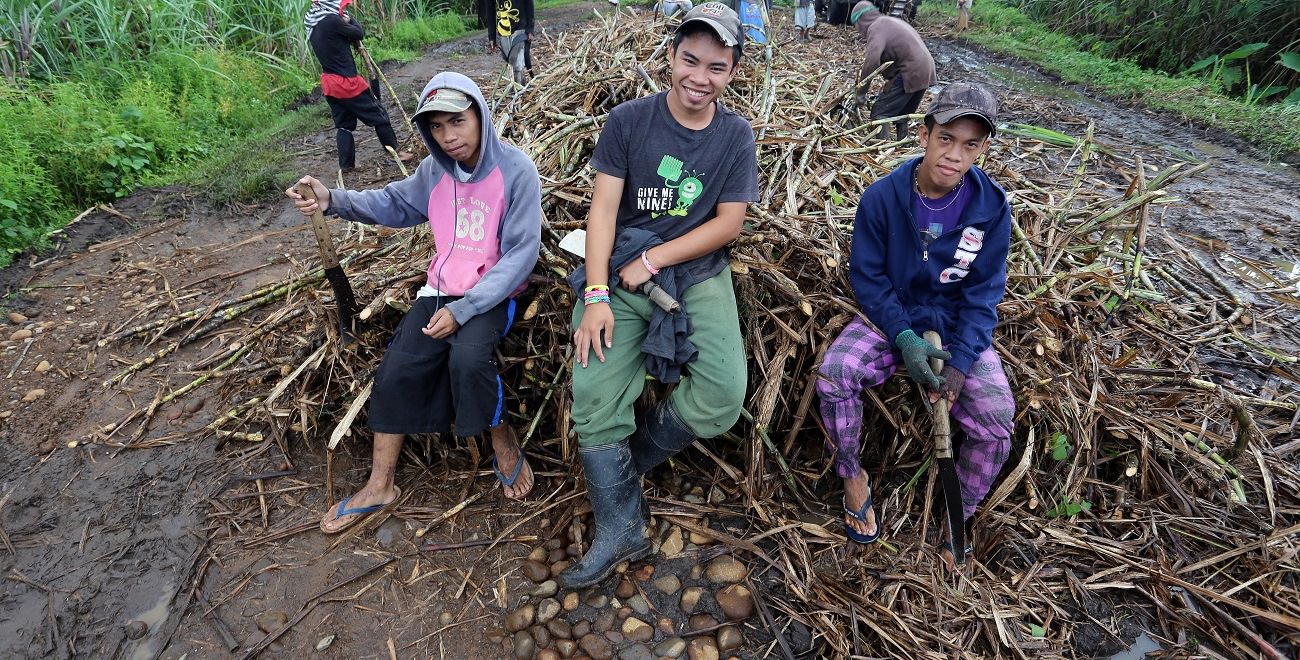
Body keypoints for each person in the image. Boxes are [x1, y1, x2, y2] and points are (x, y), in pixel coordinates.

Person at [286, 72, 543, 534]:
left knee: (467, 358)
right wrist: (333, 200)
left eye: (458, 122)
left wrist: (464, 309)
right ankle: (380, 483)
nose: (449, 136)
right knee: (398, 368)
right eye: (438, 127)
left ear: (480, 116)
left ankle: (502, 439)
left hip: (492, 293)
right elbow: (393, 203)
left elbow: (521, 254)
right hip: (440, 288)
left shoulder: (516, 171)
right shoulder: (434, 172)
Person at [561, 2, 758, 589]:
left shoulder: (734, 136)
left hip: (694, 272)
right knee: (592, 385)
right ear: (670, 56)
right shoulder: (629, 121)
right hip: (621, 269)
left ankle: (632, 462)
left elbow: (728, 224)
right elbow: (601, 210)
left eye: (717, 67)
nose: (700, 77)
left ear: (732, 72)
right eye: (690, 60)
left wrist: (660, 257)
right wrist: (596, 293)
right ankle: (620, 524)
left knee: (724, 392)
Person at [815, 82, 1013, 570]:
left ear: (983, 148)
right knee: (836, 372)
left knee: (997, 420)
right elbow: (869, 277)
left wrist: (962, 365)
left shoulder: (992, 209)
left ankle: (958, 513)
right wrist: (903, 336)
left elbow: (984, 293)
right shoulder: (882, 199)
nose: (954, 155)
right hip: (894, 315)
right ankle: (853, 476)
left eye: (970, 144)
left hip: (953, 324)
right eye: (946, 138)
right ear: (925, 134)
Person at [304, 0, 409, 171]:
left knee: (344, 125)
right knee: (379, 115)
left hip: (330, 82)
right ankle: (395, 153)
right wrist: (350, 20)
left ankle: (346, 166)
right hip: (346, 82)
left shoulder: (313, 22)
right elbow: (359, 33)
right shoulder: (332, 20)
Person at [851, 1, 936, 142]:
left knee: (880, 113)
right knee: (902, 115)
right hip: (925, 69)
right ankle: (902, 144)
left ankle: (883, 151)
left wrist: (861, 92)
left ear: (861, 21)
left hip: (910, 71)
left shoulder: (876, 27)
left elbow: (872, 59)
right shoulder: (888, 21)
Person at [482, 0, 535, 84]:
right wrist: (492, 36)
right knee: (510, 63)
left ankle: (518, 90)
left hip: (520, 27)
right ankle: (517, 87)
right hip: (503, 31)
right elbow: (490, 10)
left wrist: (530, 28)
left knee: (516, 62)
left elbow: (529, 2)